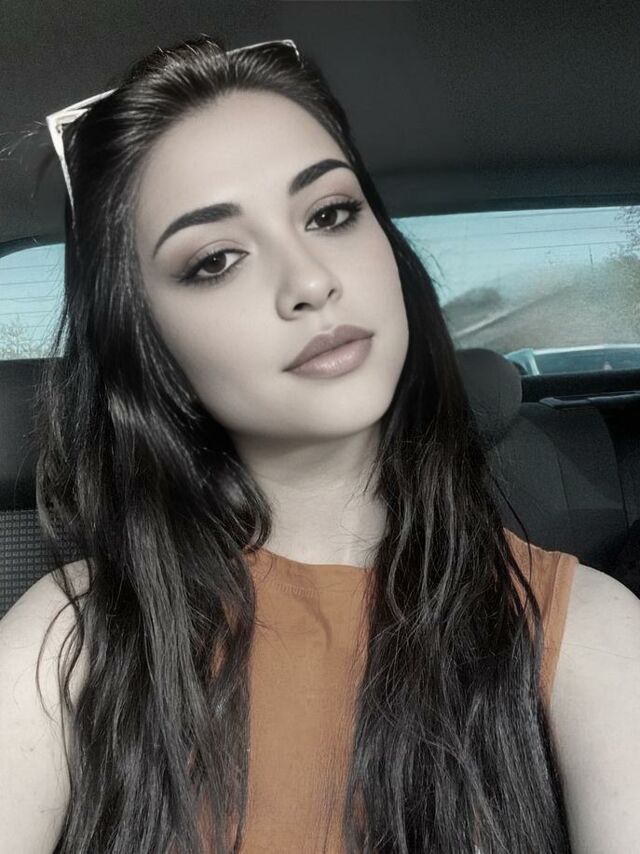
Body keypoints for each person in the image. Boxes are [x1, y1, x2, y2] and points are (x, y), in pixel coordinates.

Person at [0, 35, 597, 854]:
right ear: (146, 344)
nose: (311, 281)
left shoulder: (586, 630)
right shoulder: (68, 643)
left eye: (330, 213)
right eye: (216, 260)